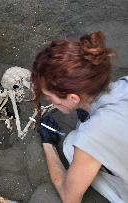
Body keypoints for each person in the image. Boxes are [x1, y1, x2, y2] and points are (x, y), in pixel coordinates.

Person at [31, 32, 128, 203]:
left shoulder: (93, 133)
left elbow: (70, 198)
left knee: (71, 144)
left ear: (73, 98)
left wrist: (48, 144)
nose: (49, 101)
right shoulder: (125, 83)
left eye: (49, 97)